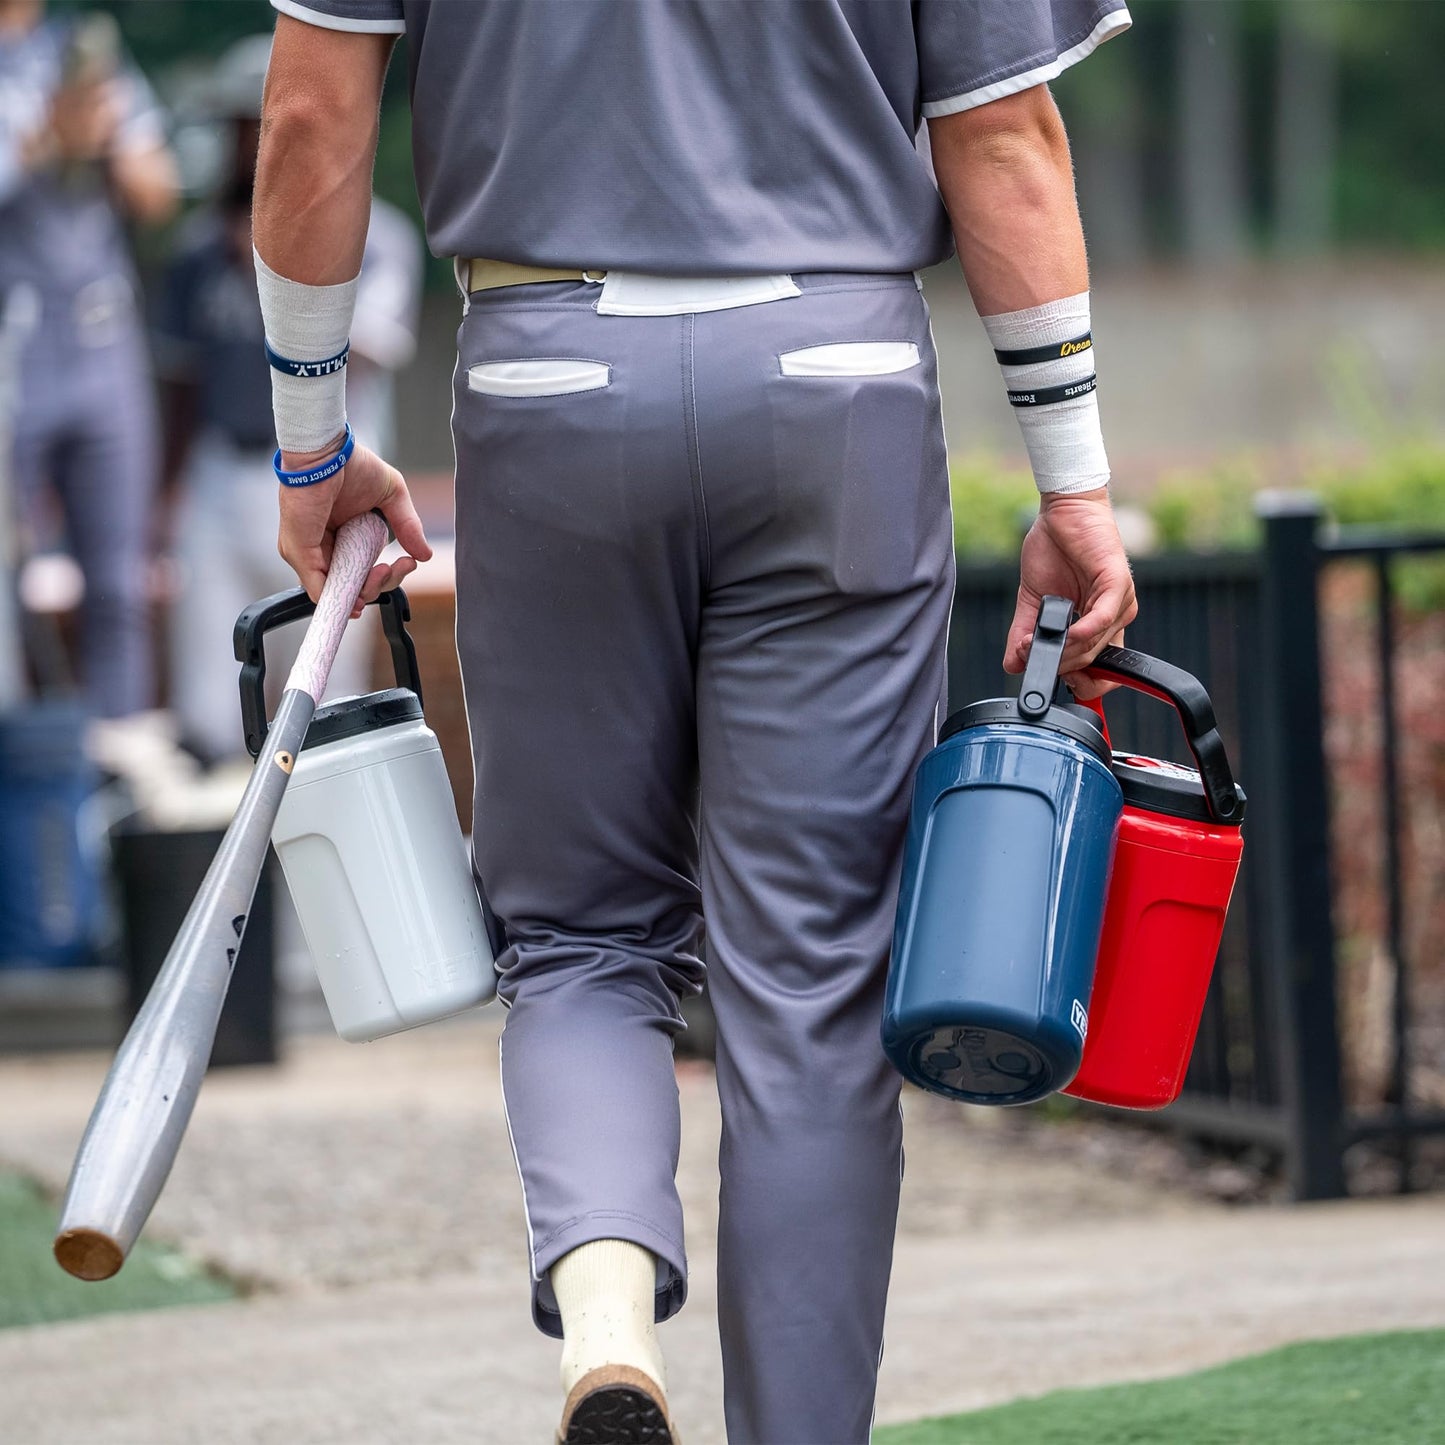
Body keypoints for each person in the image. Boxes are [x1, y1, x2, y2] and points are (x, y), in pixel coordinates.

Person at [251, 4, 1138, 1442]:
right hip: (833, 384)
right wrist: (1076, 487)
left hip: (547, 376)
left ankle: (607, 1334)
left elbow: (307, 111)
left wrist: (309, 435)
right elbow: (1004, 133)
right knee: (813, 983)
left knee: (580, 936)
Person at [155, 33, 422, 763]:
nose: (249, 141)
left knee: (328, 718)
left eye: (259, 122)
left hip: (338, 482)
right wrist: (165, 491)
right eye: (241, 126)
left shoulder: (380, 236)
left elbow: (368, 353)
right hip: (220, 477)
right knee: (211, 721)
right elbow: (177, 384)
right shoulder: (194, 250)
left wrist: (275, 259)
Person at [0, 0, 176, 717]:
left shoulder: (85, 47)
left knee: (118, 582)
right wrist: (42, 141)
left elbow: (158, 194)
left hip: (102, 343)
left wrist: (102, 139)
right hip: (15, 343)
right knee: (8, 573)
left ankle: (117, 763)